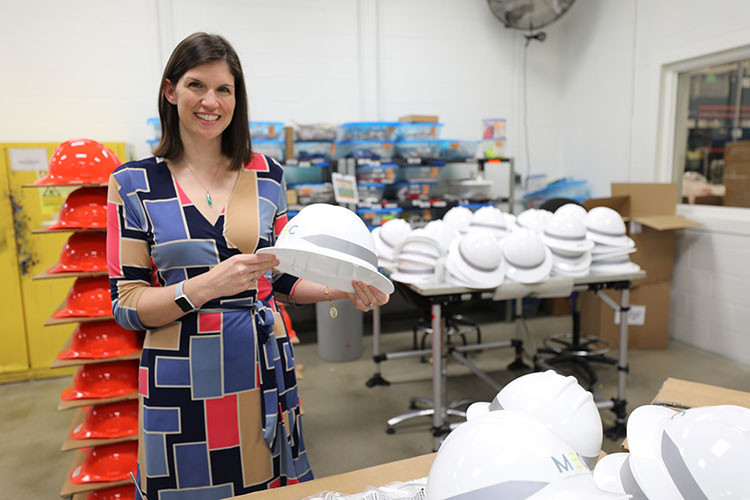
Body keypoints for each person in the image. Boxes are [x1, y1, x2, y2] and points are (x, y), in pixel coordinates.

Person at [107, 32, 389, 500]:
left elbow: (280, 276)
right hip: (181, 375)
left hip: (260, 367)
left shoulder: (267, 175)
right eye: (197, 85)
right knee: (187, 484)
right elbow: (128, 304)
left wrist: (342, 287)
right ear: (170, 90)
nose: (211, 101)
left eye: (225, 89)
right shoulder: (135, 184)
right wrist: (205, 286)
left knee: (267, 487)